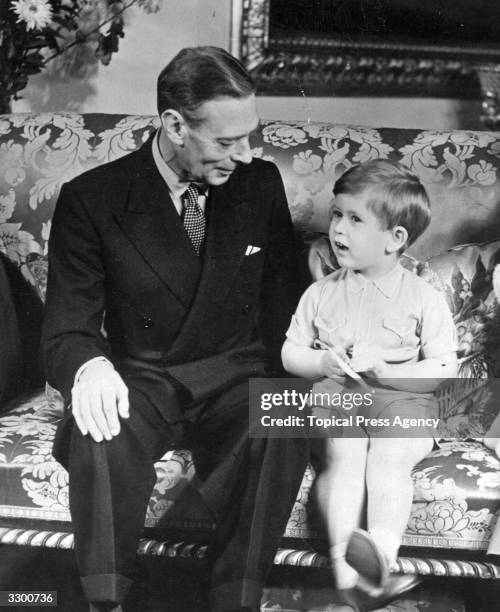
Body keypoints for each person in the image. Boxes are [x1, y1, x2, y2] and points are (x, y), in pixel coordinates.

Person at [42, 46, 309, 612]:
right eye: (226, 141)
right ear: (174, 124)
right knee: (98, 427)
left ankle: (234, 598)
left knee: (281, 416)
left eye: (250, 136)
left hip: (237, 377)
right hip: (146, 378)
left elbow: (285, 305)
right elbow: (67, 327)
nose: (245, 154)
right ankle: (105, 601)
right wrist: (89, 367)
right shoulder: (92, 199)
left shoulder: (258, 185)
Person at [281, 159, 458, 610]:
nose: (338, 228)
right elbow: (290, 353)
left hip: (402, 402)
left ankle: (380, 548)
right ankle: (344, 560)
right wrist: (322, 360)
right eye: (337, 214)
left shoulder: (423, 296)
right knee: (344, 454)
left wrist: (388, 371)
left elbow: (443, 366)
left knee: (390, 456)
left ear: (395, 239)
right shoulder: (319, 292)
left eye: (355, 219)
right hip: (338, 398)